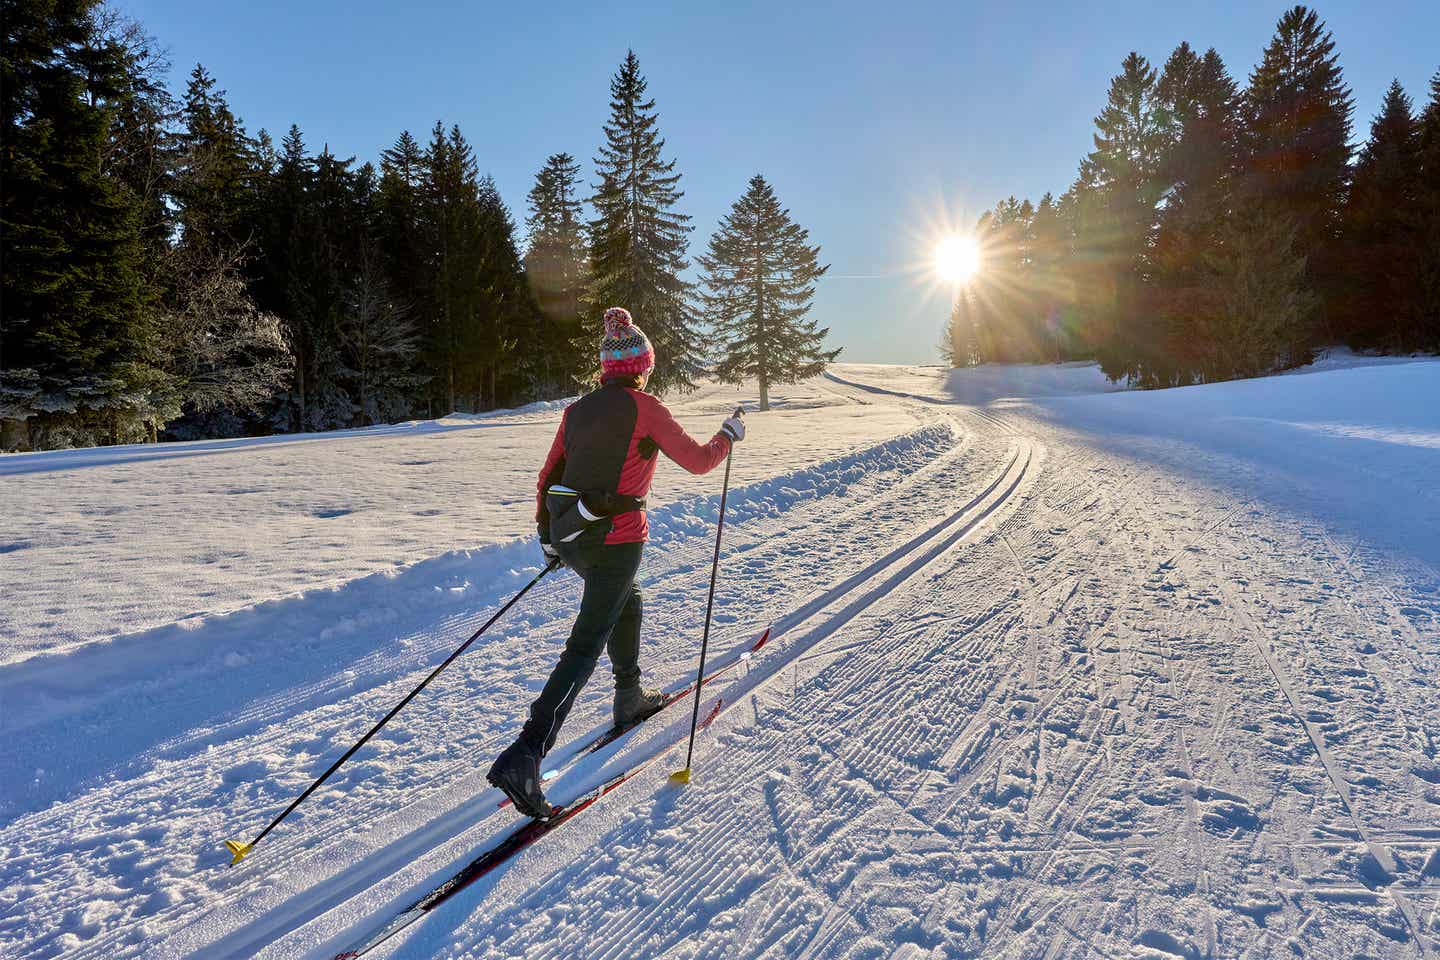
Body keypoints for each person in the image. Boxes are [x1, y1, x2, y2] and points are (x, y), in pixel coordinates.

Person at [487, 307, 746, 818]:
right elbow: (697, 461)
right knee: (586, 642)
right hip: (618, 540)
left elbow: (547, 476)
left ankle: (629, 695)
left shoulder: (576, 410)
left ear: (606, 369)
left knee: (628, 601)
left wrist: (549, 538)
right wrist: (728, 436)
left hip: (576, 535)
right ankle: (526, 753)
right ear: (642, 367)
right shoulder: (646, 408)